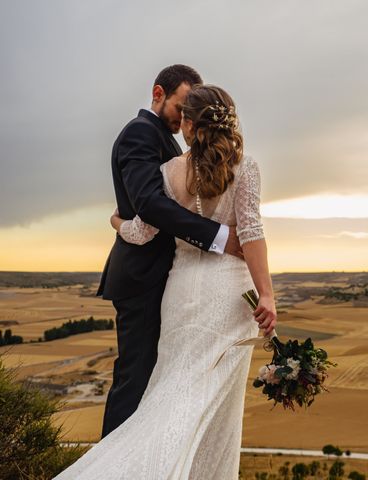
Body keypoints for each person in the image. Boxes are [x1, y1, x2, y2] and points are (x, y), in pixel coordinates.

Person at [54, 83, 277, 479]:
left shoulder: (169, 172)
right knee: (215, 403)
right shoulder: (246, 167)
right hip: (228, 293)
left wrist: (116, 222)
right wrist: (267, 295)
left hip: (180, 292)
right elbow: (252, 234)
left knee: (171, 390)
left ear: (188, 126)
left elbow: (143, 230)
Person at [96, 65, 245, 439]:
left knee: (153, 383)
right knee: (135, 380)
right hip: (141, 277)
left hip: (162, 276)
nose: (185, 117)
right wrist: (219, 236)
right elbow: (148, 202)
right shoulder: (140, 133)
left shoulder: (166, 139)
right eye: (181, 106)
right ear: (158, 93)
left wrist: (118, 222)